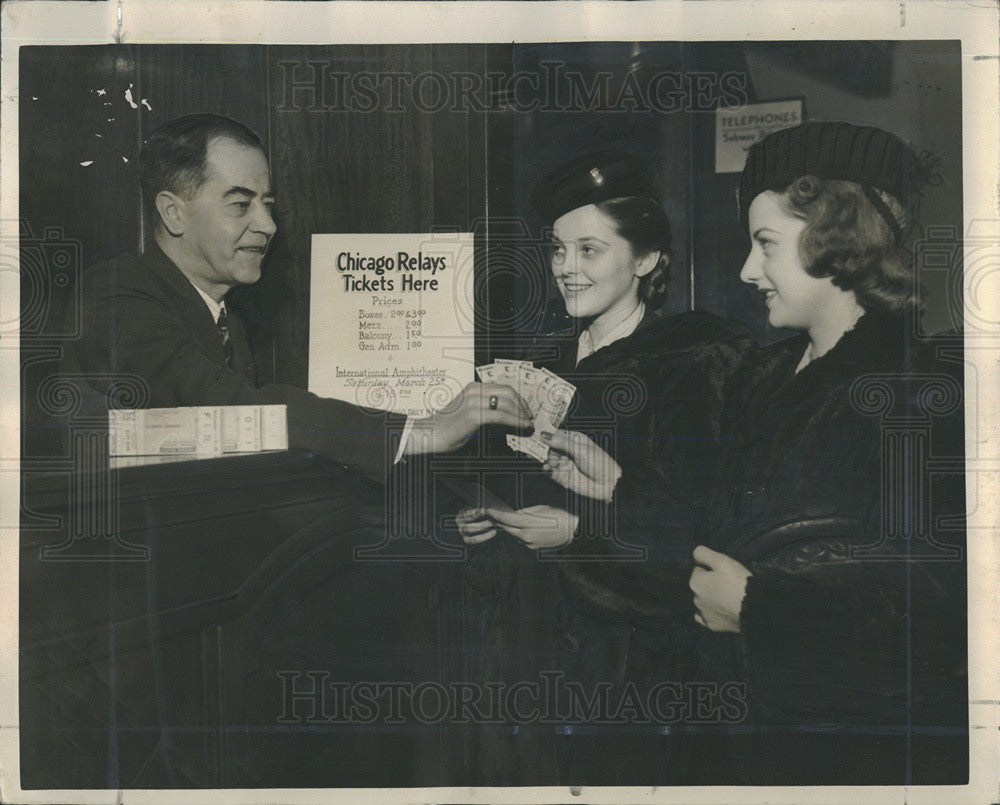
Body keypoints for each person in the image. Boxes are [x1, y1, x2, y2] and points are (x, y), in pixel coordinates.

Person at [542, 122, 967, 785]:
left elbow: (943, 626)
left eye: (765, 243)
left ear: (838, 243)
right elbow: (706, 536)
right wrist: (617, 490)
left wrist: (760, 609)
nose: (745, 270)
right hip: (730, 748)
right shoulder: (761, 377)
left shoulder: (925, 392)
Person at [456, 149, 755, 784]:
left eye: (589, 250)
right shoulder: (543, 363)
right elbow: (501, 484)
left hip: (632, 674)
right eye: (558, 249)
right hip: (526, 651)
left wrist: (577, 533)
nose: (566, 269)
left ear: (646, 259)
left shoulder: (692, 365)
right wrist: (476, 520)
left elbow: (696, 537)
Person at [62, 113, 531, 482]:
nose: (267, 225)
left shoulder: (228, 318)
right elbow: (222, 408)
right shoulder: (114, 293)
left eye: (268, 204)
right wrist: (420, 429)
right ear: (173, 212)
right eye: (241, 204)